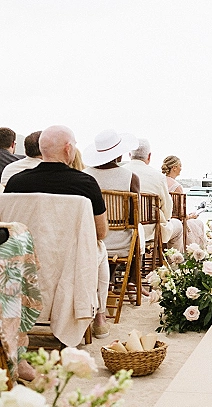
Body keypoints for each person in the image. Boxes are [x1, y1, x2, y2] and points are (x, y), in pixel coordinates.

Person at [4, 125, 110, 338]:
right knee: (101, 250)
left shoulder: (16, 182)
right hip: (69, 267)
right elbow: (101, 232)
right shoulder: (86, 184)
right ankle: (100, 315)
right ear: (69, 149)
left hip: (24, 264)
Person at [83, 129, 142, 257]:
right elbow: (135, 218)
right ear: (118, 154)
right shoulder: (131, 178)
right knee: (139, 232)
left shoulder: (83, 176)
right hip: (122, 243)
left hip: (92, 241)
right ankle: (132, 277)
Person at [127, 139, 184, 250]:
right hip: (150, 231)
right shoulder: (158, 177)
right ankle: (174, 263)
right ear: (149, 156)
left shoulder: (122, 173)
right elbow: (167, 211)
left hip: (125, 232)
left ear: (130, 155)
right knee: (178, 226)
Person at [161, 155, 205, 248]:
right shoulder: (177, 187)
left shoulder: (160, 182)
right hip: (175, 223)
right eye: (180, 165)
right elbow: (181, 214)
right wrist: (191, 216)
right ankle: (197, 256)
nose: (181, 168)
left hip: (161, 221)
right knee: (199, 223)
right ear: (174, 167)